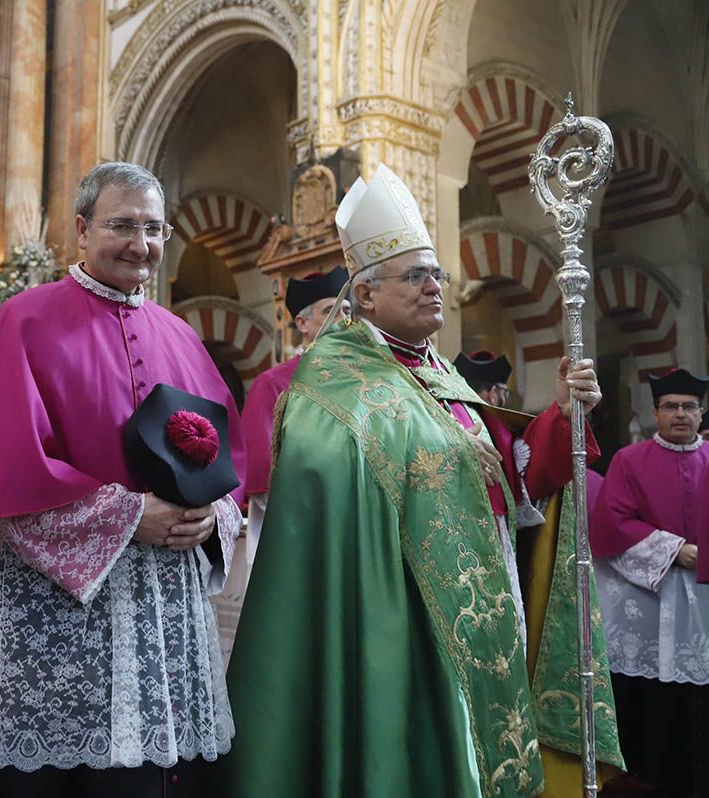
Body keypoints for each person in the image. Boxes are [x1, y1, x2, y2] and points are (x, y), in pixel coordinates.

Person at [224, 165, 622, 797]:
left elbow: (512, 478)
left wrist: (563, 417)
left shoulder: (441, 376)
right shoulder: (332, 385)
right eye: (416, 275)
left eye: (437, 273)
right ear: (366, 295)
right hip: (403, 613)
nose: (434, 286)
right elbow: (327, 507)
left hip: (489, 602)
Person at [0, 161, 245, 797]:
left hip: (166, 607)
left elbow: (225, 471)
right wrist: (132, 517)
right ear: (81, 229)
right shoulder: (22, 324)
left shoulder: (181, 336)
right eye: (122, 225)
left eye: (154, 229)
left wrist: (210, 517)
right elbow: (7, 477)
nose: (141, 244)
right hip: (66, 616)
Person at [591, 368, 709, 798]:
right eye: (671, 406)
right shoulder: (628, 460)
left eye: (689, 407)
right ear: (656, 412)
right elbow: (611, 525)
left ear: (701, 412)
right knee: (653, 692)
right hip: (649, 596)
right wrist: (676, 550)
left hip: (703, 598)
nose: (680, 414)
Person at [239, 267, 348, 565]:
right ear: (302, 322)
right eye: (332, 311)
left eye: (348, 310)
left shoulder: (363, 383)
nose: (345, 320)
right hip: (298, 535)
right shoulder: (273, 384)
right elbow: (263, 474)